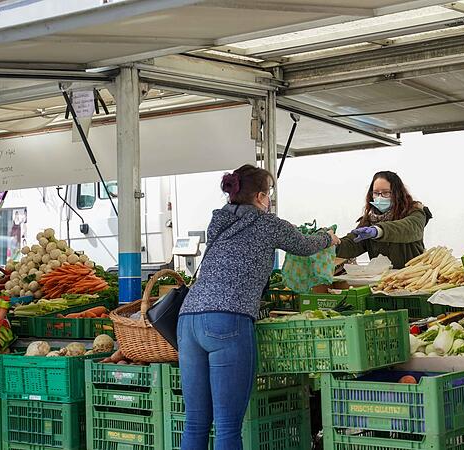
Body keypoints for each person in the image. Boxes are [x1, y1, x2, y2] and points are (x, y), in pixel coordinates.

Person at [177, 165, 340, 450]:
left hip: (188, 321)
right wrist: (329, 237)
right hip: (227, 320)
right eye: (270, 195)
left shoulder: (218, 220)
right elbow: (303, 245)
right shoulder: (267, 223)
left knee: (195, 422)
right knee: (227, 426)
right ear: (262, 196)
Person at [337, 171, 432, 269]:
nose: (379, 197)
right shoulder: (369, 220)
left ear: (397, 193)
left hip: (413, 277)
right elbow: (353, 244)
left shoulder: (414, 211)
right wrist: (335, 244)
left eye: (386, 193)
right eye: (376, 193)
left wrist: (378, 231)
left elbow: (409, 228)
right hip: (383, 279)